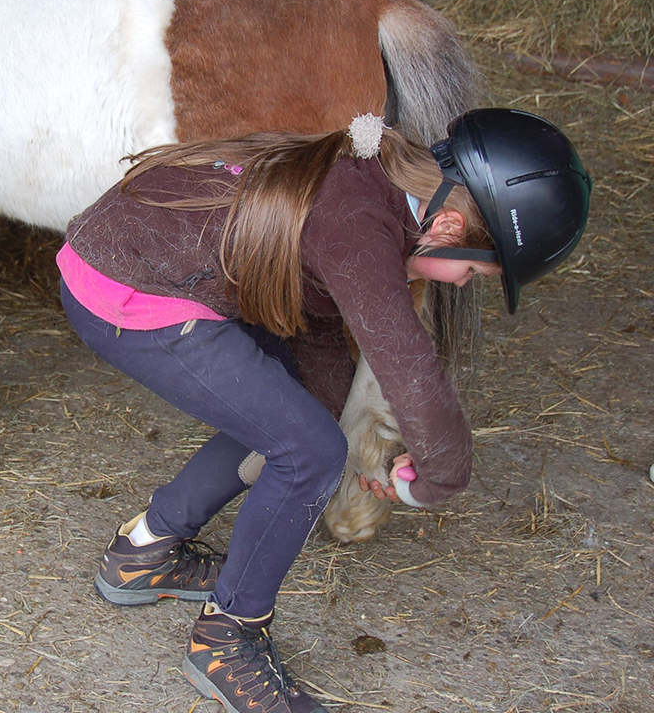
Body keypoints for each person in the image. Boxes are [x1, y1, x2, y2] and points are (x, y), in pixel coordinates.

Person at [57, 109, 591, 713]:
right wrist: (442, 475)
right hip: (129, 286)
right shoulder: (360, 222)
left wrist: (325, 405)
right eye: (473, 270)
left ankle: (144, 552)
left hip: (131, 256)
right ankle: (228, 639)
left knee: (300, 420)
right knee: (310, 450)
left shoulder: (374, 186)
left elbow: (314, 317)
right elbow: (405, 362)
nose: (464, 284)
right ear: (445, 225)